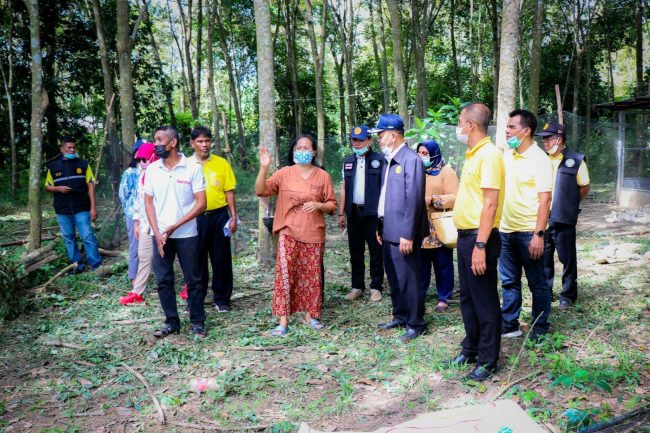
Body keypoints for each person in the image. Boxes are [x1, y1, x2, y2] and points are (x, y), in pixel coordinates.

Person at [255, 134, 337, 336]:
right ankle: (283, 322)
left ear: (314, 152)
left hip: (313, 232)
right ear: (293, 152)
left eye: (306, 148)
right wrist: (264, 167)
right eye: (298, 148)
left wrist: (318, 205)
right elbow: (261, 190)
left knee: (312, 276)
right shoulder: (284, 173)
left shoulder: (322, 176)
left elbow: (332, 205)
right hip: (288, 230)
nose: (302, 151)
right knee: (285, 275)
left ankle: (311, 316)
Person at [448, 102, 504, 382]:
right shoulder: (472, 154)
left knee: (484, 300)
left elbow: (491, 204)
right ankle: (470, 347)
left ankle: (488, 359)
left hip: (480, 238)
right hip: (465, 236)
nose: (458, 125)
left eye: (460, 120)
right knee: (468, 298)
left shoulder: (490, 155)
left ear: (470, 125)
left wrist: (481, 246)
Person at [143, 126, 207, 338]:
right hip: (160, 236)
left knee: (194, 279)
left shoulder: (192, 168)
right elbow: (148, 203)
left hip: (187, 234)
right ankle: (172, 322)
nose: (156, 144)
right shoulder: (152, 170)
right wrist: (157, 231)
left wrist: (174, 226)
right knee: (163, 279)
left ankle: (198, 321)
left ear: (173, 142)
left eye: (160, 139)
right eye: (155, 139)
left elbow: (201, 204)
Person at [372, 114, 427, 344]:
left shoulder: (410, 160)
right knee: (394, 278)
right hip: (388, 229)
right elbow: (386, 196)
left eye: (381, 135)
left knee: (409, 278)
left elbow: (413, 200)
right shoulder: (389, 160)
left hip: (403, 233)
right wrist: (380, 224)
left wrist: (407, 234)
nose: (379, 139)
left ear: (393, 136)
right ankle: (400, 315)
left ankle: (416, 323)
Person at [499, 110, 553, 341]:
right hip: (505, 231)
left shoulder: (539, 159)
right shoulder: (507, 155)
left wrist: (538, 234)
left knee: (538, 283)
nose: (507, 131)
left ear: (526, 131)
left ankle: (539, 327)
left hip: (529, 233)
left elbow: (545, 200)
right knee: (509, 282)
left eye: (511, 127)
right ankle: (509, 324)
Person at [537, 122, 590, 310]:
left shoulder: (575, 160)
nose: (544, 141)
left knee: (567, 258)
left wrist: (569, 203)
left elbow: (584, 187)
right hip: (542, 217)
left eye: (548, 138)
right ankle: (546, 291)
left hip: (563, 217)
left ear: (559, 139)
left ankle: (568, 295)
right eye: (543, 138)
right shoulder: (540, 159)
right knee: (544, 257)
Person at [189, 126, 238, 312]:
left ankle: (222, 299)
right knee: (196, 259)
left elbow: (229, 191)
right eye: (200, 141)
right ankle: (197, 298)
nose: (204, 145)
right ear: (192, 143)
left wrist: (233, 216)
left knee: (221, 258)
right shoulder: (186, 165)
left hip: (219, 216)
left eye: (207, 141)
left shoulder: (221, 163)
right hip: (195, 218)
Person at [338, 125, 384, 302]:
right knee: (355, 251)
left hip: (373, 214)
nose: (356, 143)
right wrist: (341, 213)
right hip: (353, 213)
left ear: (369, 141)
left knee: (376, 250)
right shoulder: (348, 161)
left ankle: (376, 287)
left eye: (361, 140)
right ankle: (357, 286)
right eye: (354, 140)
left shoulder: (380, 160)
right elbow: (343, 187)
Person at [45, 137, 102, 273]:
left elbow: (91, 186)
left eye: (73, 147)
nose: (72, 150)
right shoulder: (53, 166)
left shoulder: (83, 164)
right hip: (62, 209)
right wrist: (58, 189)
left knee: (87, 236)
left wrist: (93, 207)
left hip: (81, 207)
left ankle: (96, 265)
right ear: (62, 149)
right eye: (69, 147)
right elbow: (47, 185)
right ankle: (77, 266)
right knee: (69, 238)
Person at [416, 140, 458, 312]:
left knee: (442, 262)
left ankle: (444, 297)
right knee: (420, 263)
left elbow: (455, 197)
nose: (421, 157)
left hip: (439, 224)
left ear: (434, 153)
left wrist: (433, 200)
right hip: (419, 224)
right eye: (419, 153)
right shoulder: (415, 171)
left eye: (425, 153)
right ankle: (420, 293)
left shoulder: (446, 172)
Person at [119, 143, 159, 305]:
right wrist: (137, 222)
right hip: (145, 223)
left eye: (145, 159)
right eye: (139, 159)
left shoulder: (161, 174)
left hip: (163, 223)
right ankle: (137, 292)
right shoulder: (142, 175)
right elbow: (138, 201)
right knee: (144, 255)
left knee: (178, 256)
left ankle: (189, 286)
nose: (142, 162)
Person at [119, 149, 142, 282]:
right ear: (135, 155)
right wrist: (131, 209)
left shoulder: (153, 170)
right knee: (134, 245)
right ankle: (134, 277)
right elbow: (123, 194)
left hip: (150, 213)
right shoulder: (129, 173)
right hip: (133, 213)